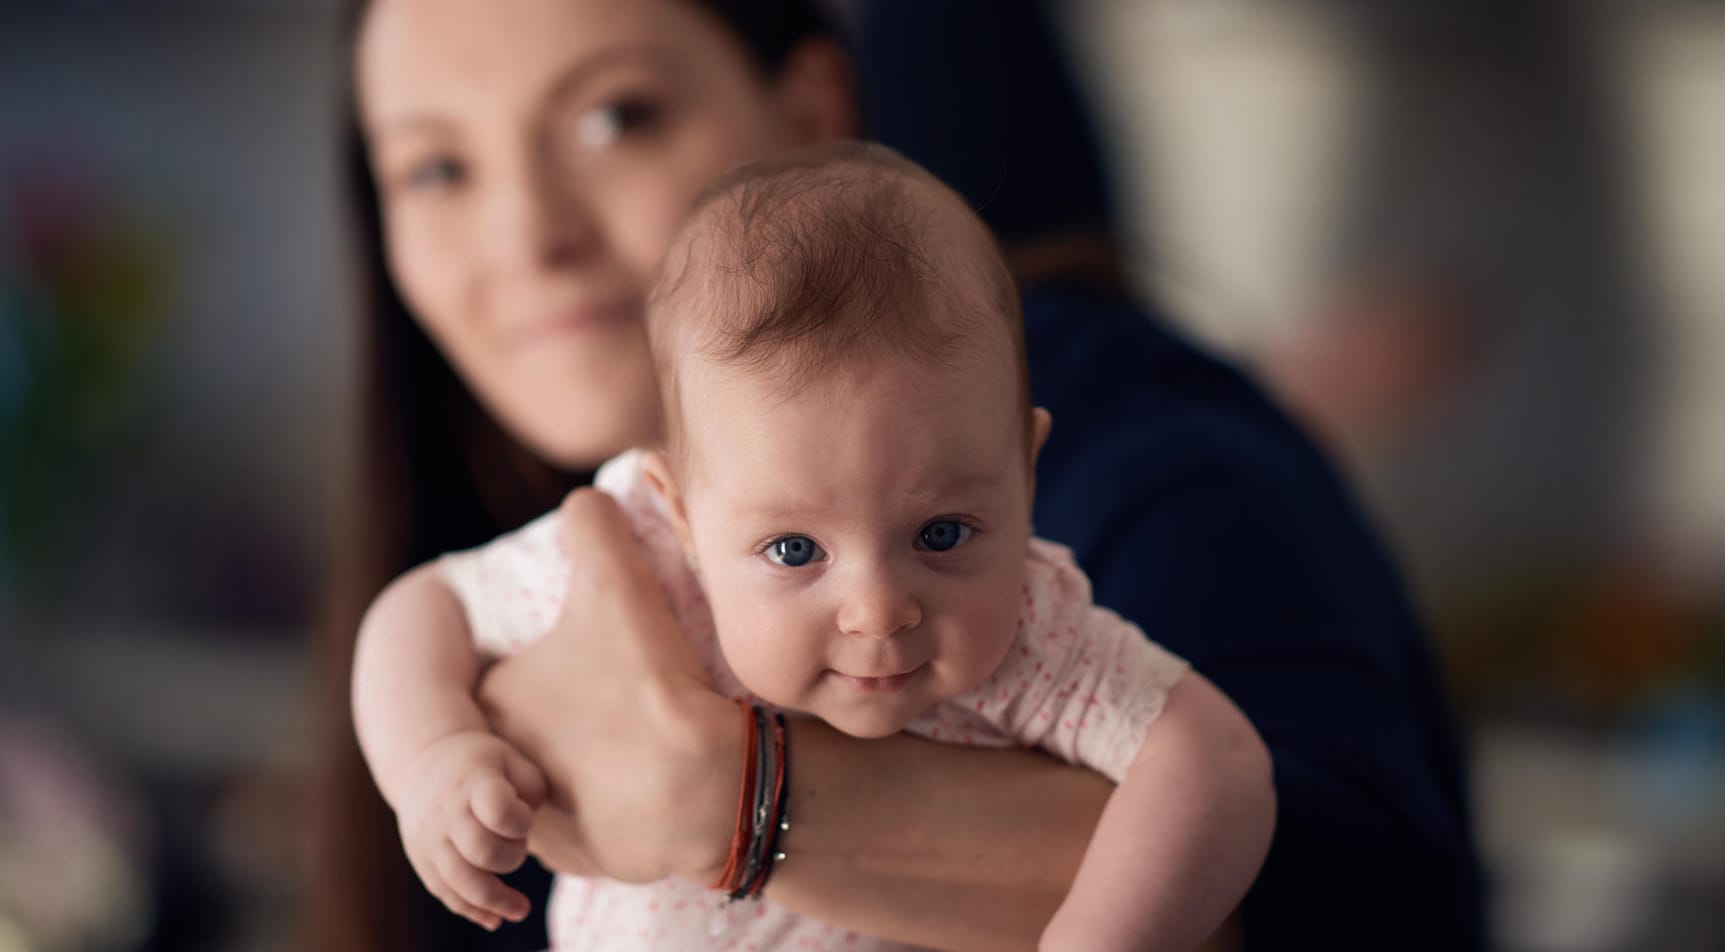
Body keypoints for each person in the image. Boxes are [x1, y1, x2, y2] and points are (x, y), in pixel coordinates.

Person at [307, 0, 1482, 949]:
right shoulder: (551, 548)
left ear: (816, 108)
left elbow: (1367, 894)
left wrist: (729, 797)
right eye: (436, 169)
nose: (530, 236)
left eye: (615, 118)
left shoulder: (1125, 451)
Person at [352, 143, 1276, 949]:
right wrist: (431, 757)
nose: (879, 609)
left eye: (942, 534)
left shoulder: (1032, 633)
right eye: (795, 551)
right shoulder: (645, 559)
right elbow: (419, 609)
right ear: (680, 510)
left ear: (1025, 476)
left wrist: (1096, 938)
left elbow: (1213, 763)